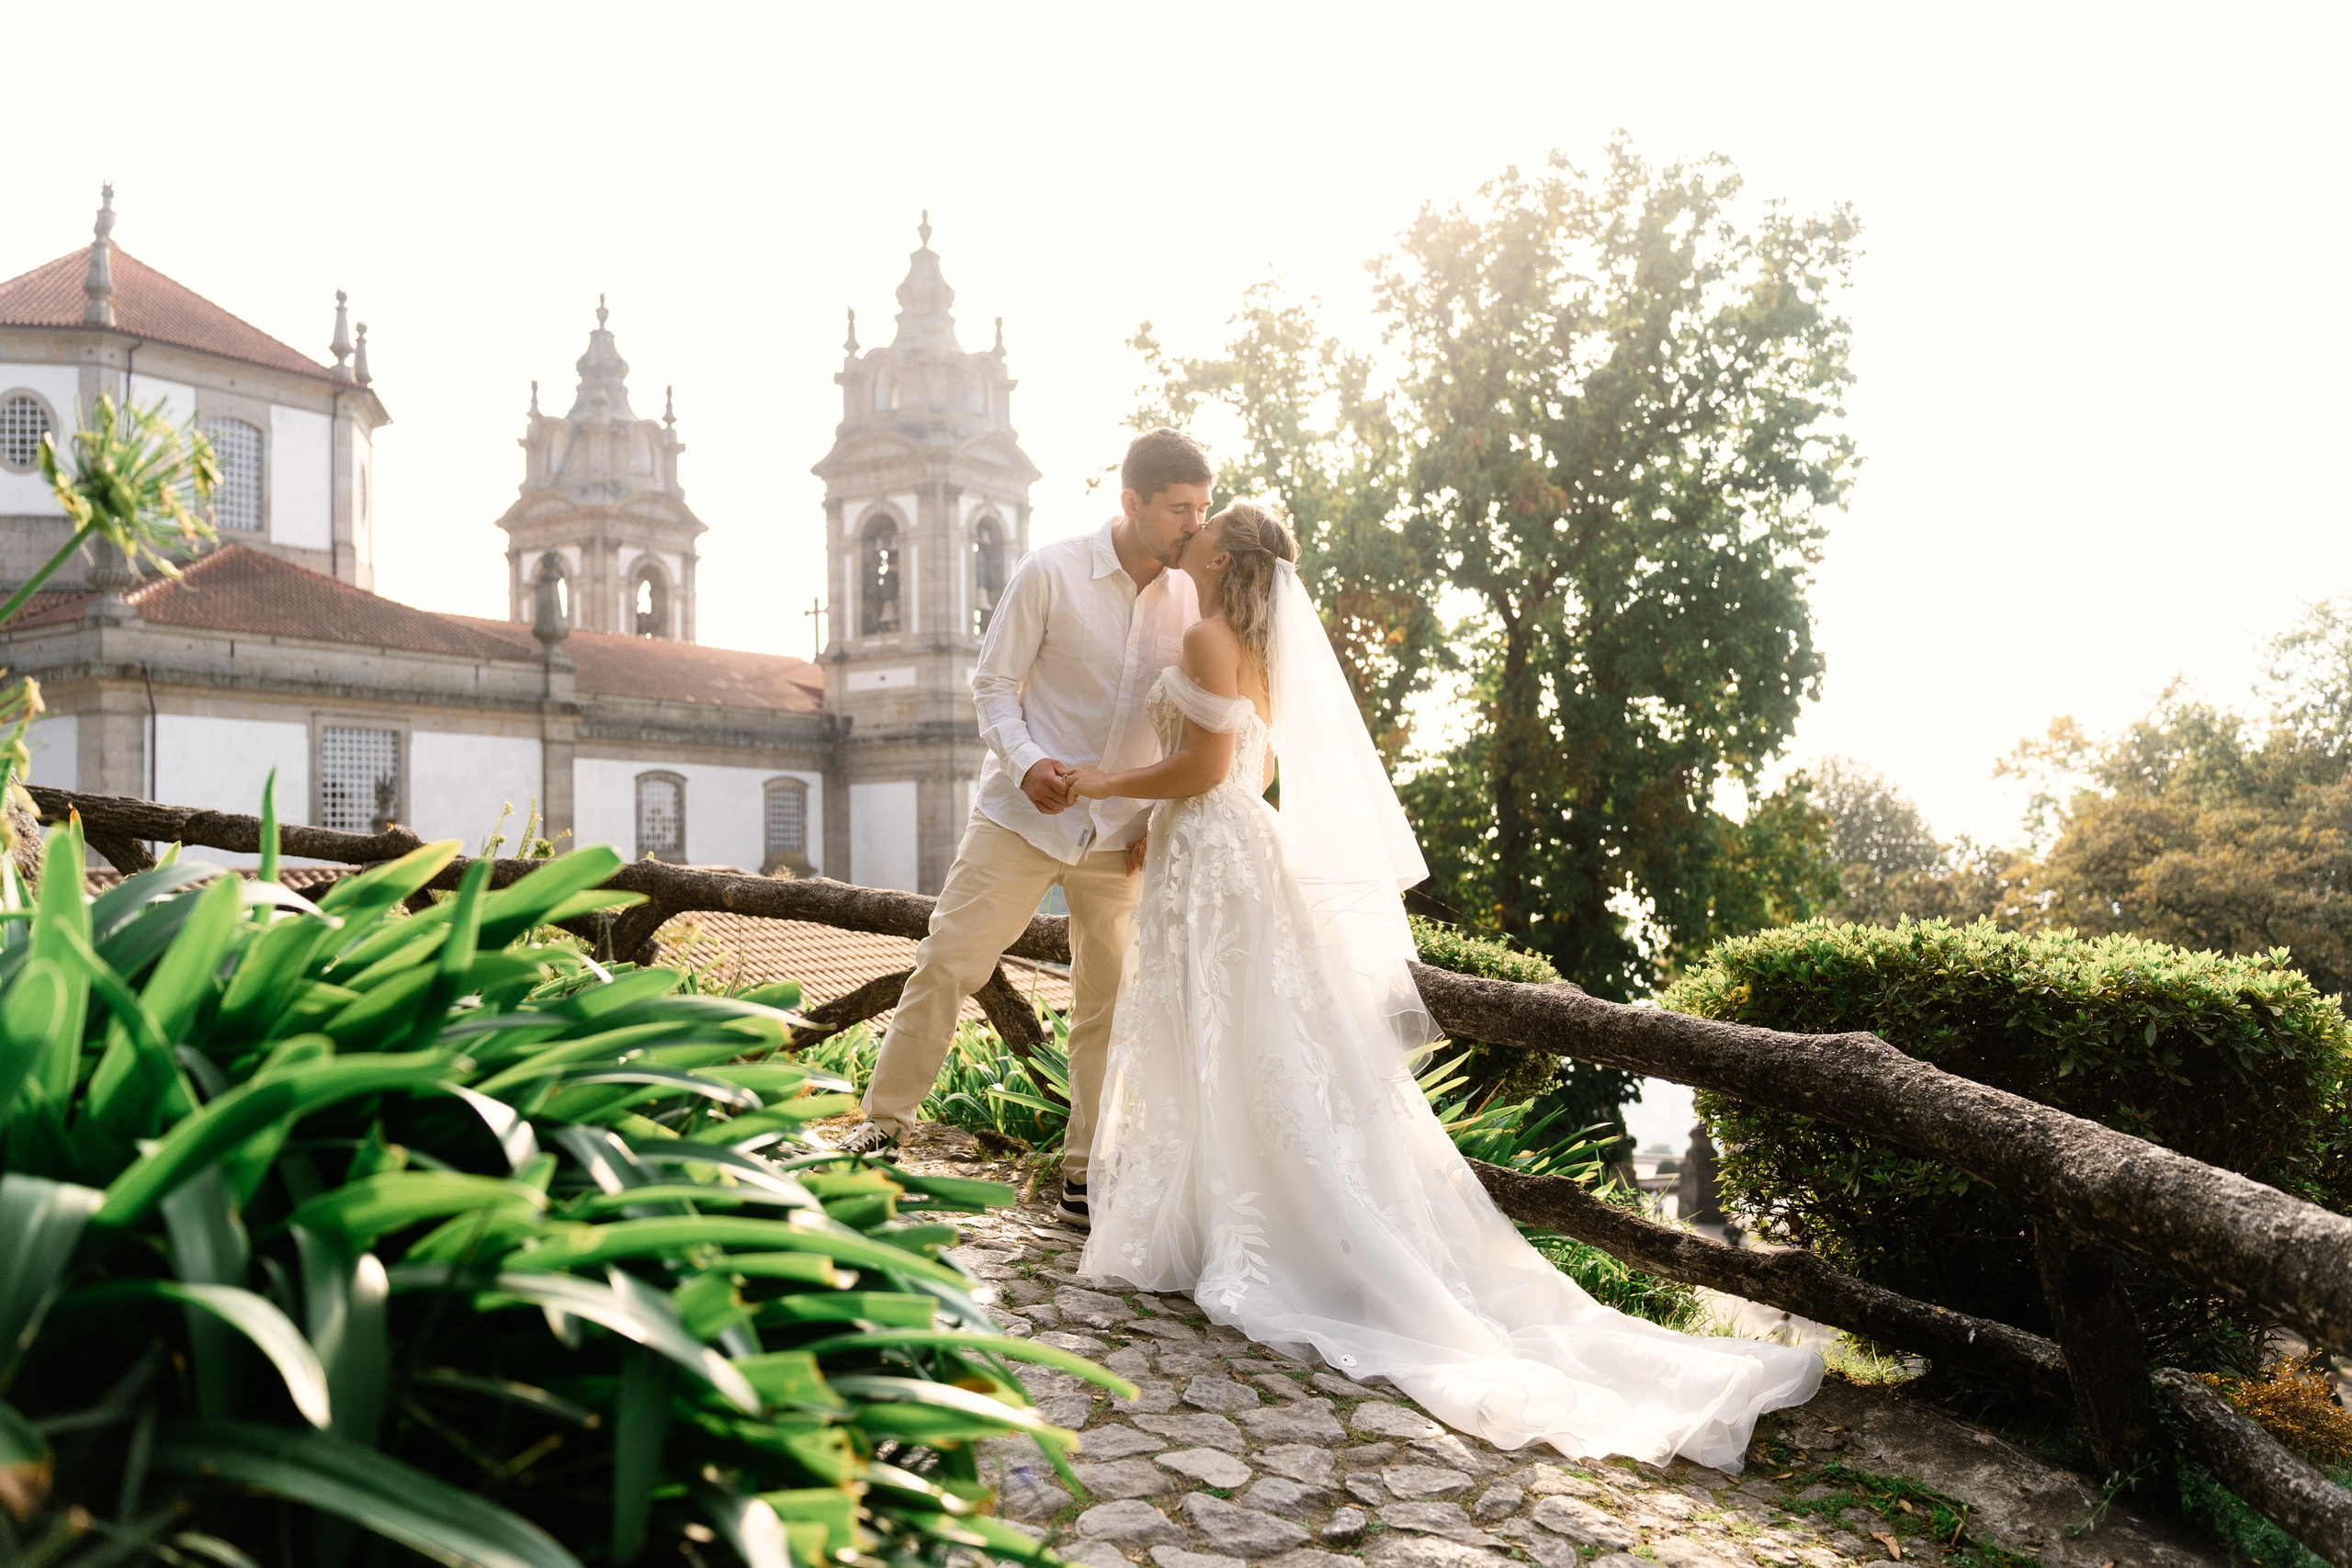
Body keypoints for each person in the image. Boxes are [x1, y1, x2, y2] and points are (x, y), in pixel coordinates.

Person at [1069, 501, 1821, 1471]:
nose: (1196, 529)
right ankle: (1225, 1217)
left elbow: (1211, 766)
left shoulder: (1211, 635)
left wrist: (1102, 785)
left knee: (1231, 1038)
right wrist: (1148, 831)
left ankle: (1258, 1236)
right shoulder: (1244, 640)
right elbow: (1241, 777)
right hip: (1215, 855)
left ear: (1221, 554)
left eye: (1209, 524)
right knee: (1237, 1039)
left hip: (1214, 859)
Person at [839, 428, 1209, 1233]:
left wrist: (1158, 816)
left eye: (1203, 507)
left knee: (1106, 1006)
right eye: (1181, 508)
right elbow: (993, 687)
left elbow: (1192, 723)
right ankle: (881, 1127)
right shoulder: (1051, 572)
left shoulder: (1193, 599)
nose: (1195, 523)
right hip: (1020, 816)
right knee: (946, 963)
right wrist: (1028, 760)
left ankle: (1084, 1174)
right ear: (1132, 503)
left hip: (1122, 837)